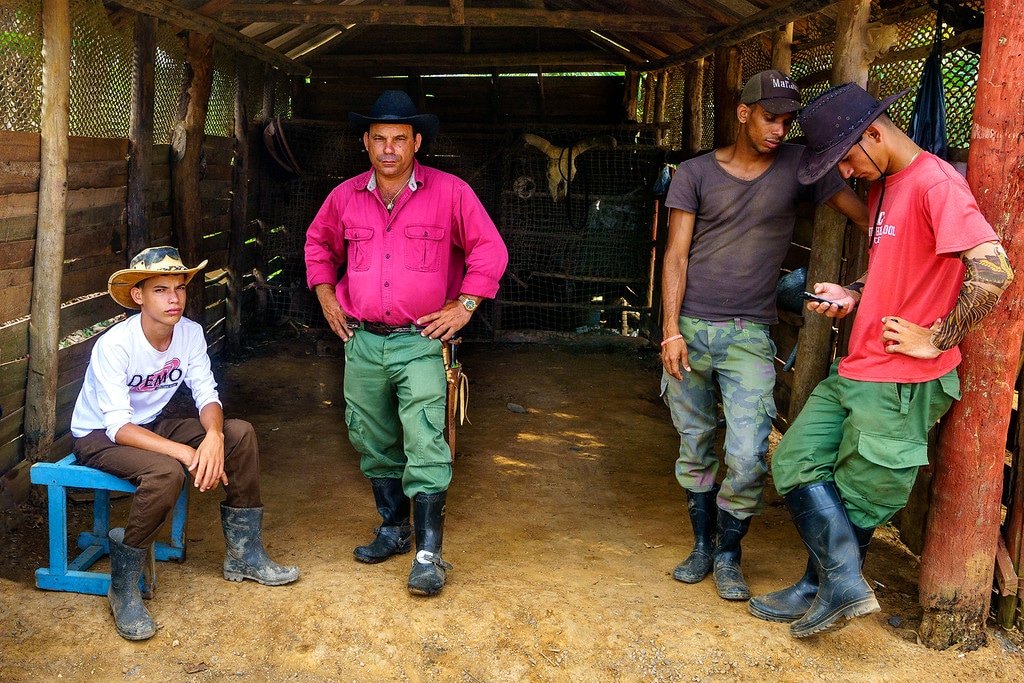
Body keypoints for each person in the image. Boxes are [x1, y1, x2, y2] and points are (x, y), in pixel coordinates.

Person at [749, 83, 1013, 638]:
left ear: (873, 134)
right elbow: (895, 267)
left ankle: (826, 587)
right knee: (794, 458)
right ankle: (832, 584)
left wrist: (937, 337)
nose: (844, 172)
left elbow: (994, 268)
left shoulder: (937, 183)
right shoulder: (888, 184)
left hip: (901, 379)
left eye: (846, 157)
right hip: (860, 366)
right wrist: (853, 293)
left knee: (862, 495)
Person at [660, 70, 868, 602]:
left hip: (751, 333)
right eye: (770, 118)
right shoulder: (695, 172)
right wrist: (669, 333)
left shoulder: (801, 167)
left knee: (750, 453)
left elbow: (865, 218)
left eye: (787, 121)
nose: (779, 130)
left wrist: (876, 271)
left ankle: (730, 554)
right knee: (695, 443)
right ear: (744, 112)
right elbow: (676, 255)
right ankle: (703, 546)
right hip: (690, 328)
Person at [304, 90, 508, 596]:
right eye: (379, 139)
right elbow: (317, 245)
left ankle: (428, 552)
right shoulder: (345, 196)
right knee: (370, 436)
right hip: (363, 340)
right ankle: (394, 528)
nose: (389, 148)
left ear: (417, 142)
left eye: (400, 139)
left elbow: (490, 250)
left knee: (424, 437)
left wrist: (464, 307)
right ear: (365, 143)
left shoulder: (451, 192)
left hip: (421, 339)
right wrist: (327, 298)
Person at [71, 246, 300, 641]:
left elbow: (207, 395)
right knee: (165, 471)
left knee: (238, 433)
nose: (173, 298)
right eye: (160, 289)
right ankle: (123, 586)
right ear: (139, 296)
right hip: (99, 436)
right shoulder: (115, 345)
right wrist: (187, 452)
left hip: (150, 425)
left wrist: (212, 436)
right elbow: (118, 428)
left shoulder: (190, 334)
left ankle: (244, 554)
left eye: (179, 288)